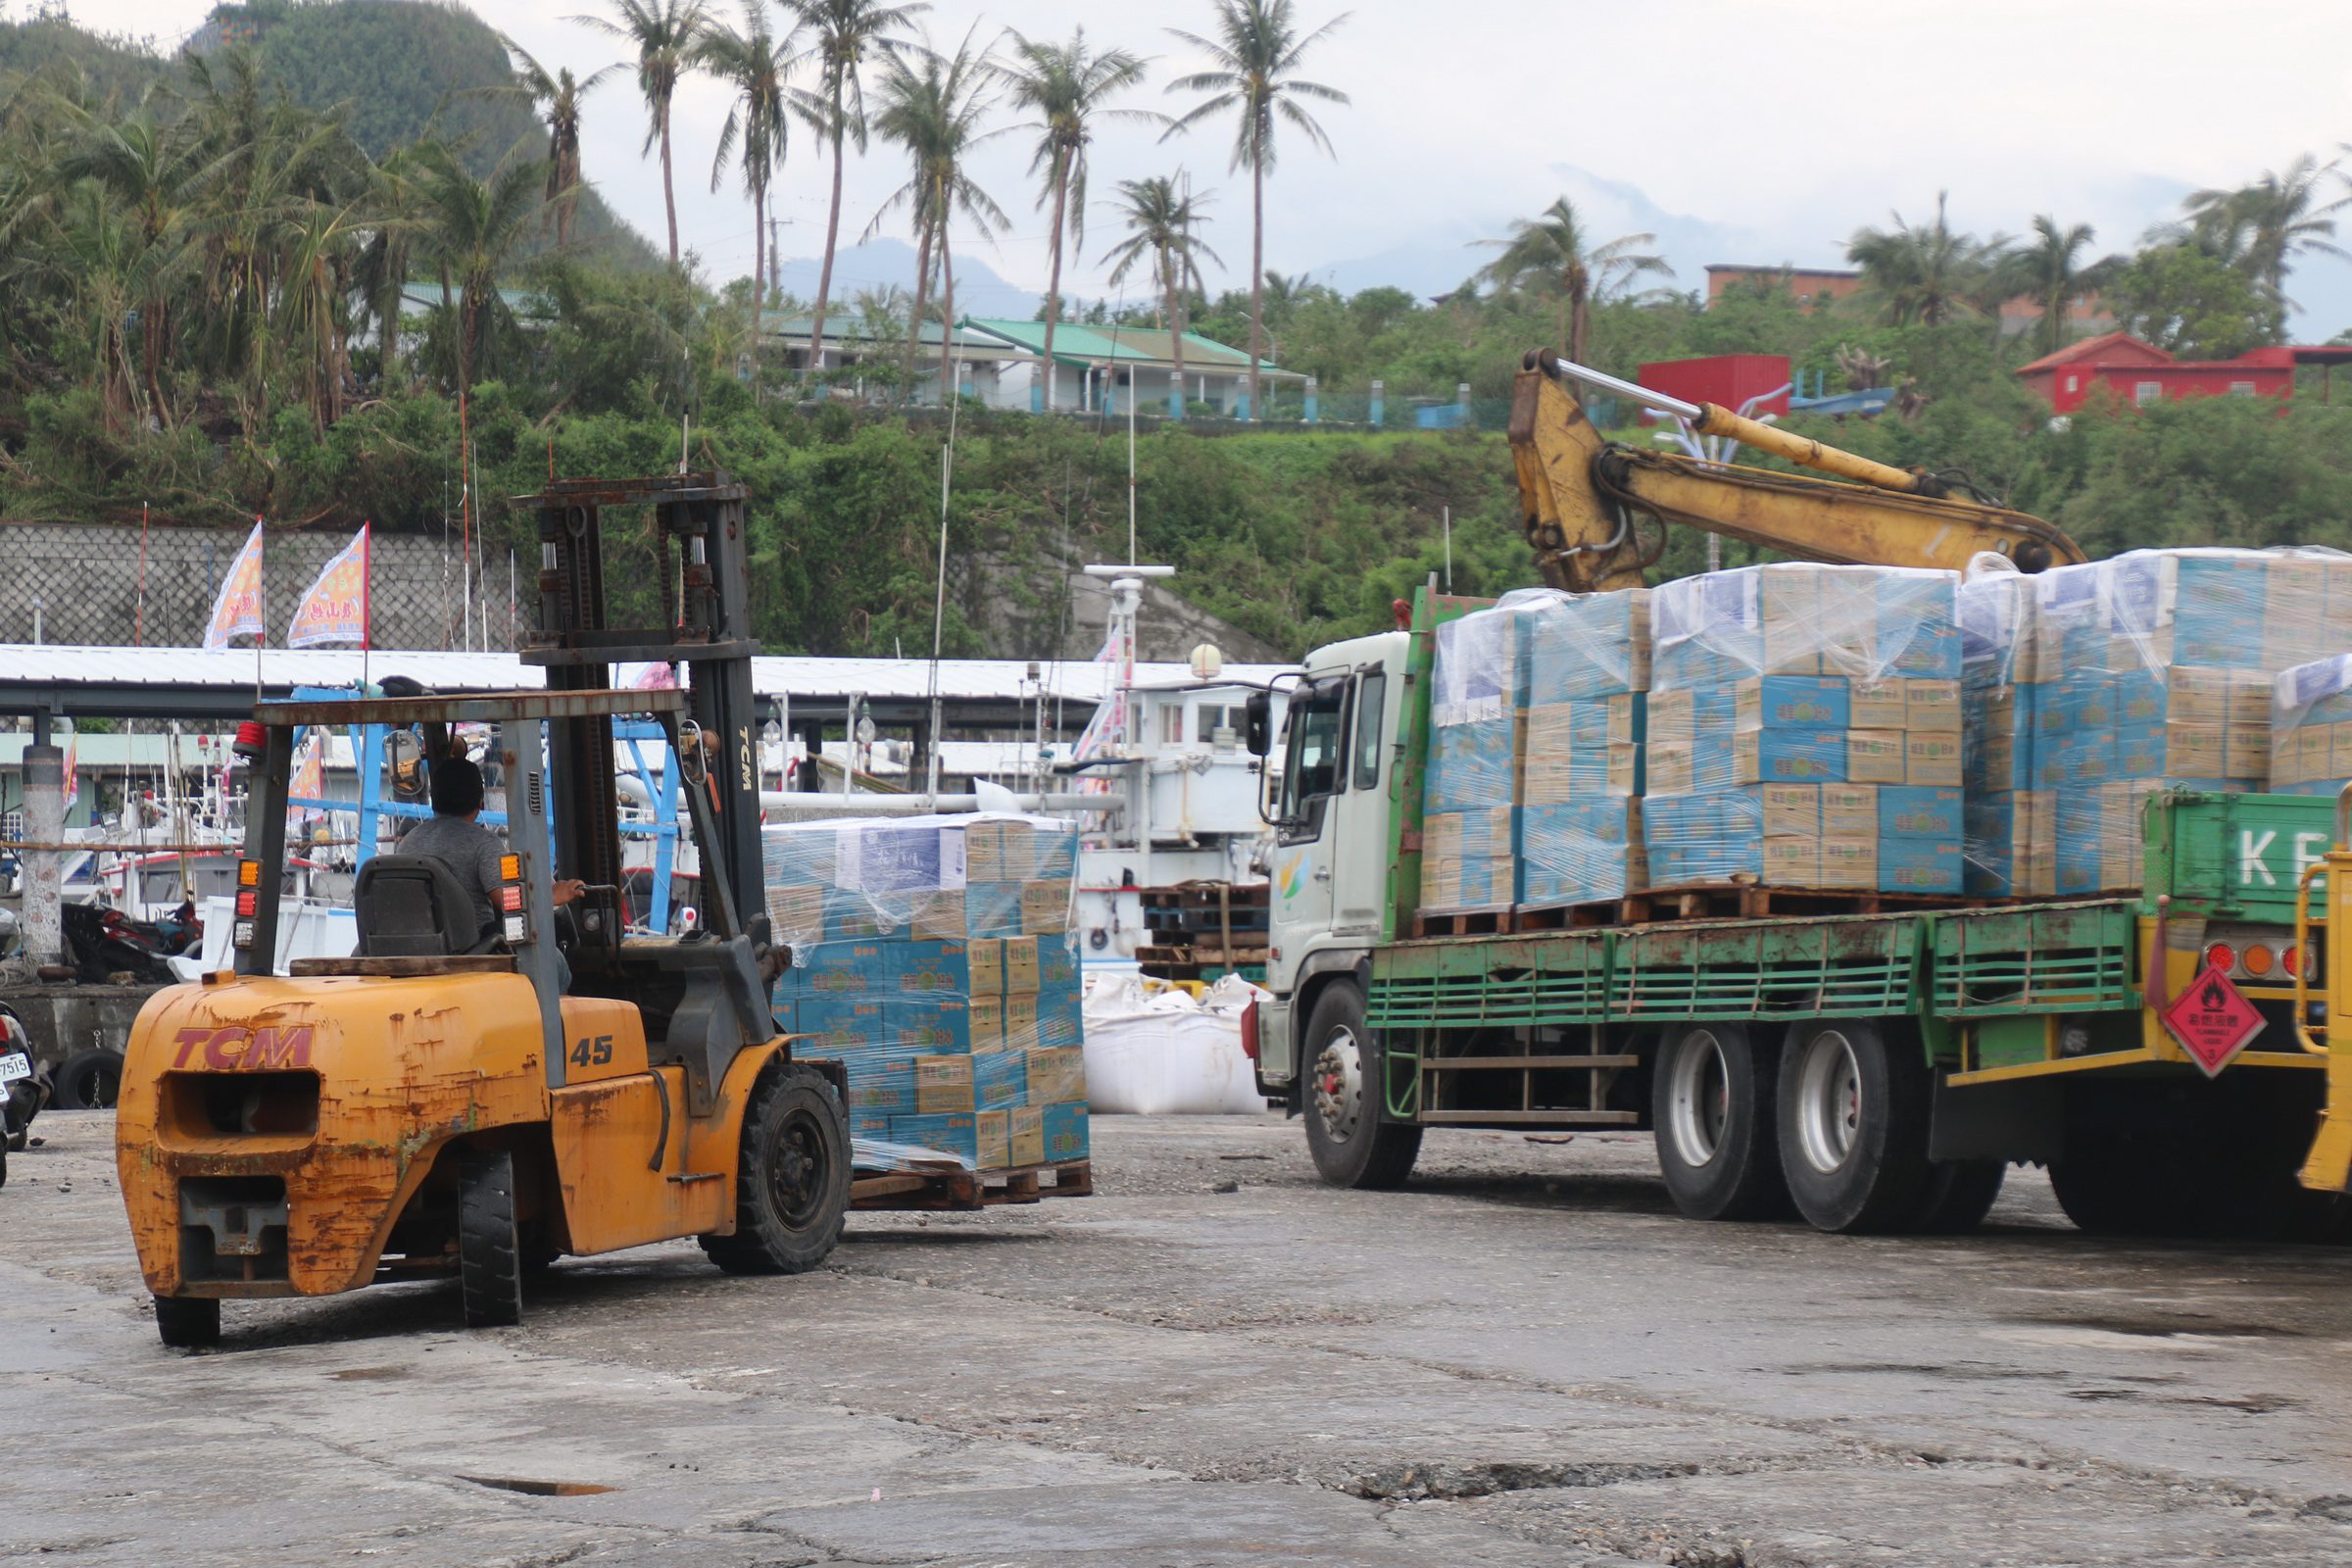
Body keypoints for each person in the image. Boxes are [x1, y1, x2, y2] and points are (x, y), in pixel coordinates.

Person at [400, 756, 584, 949]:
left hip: (414, 949)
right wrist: (552, 896)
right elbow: (510, 903)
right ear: (481, 802)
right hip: (473, 951)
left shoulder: (408, 843)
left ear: (434, 799)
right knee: (557, 965)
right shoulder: (483, 843)